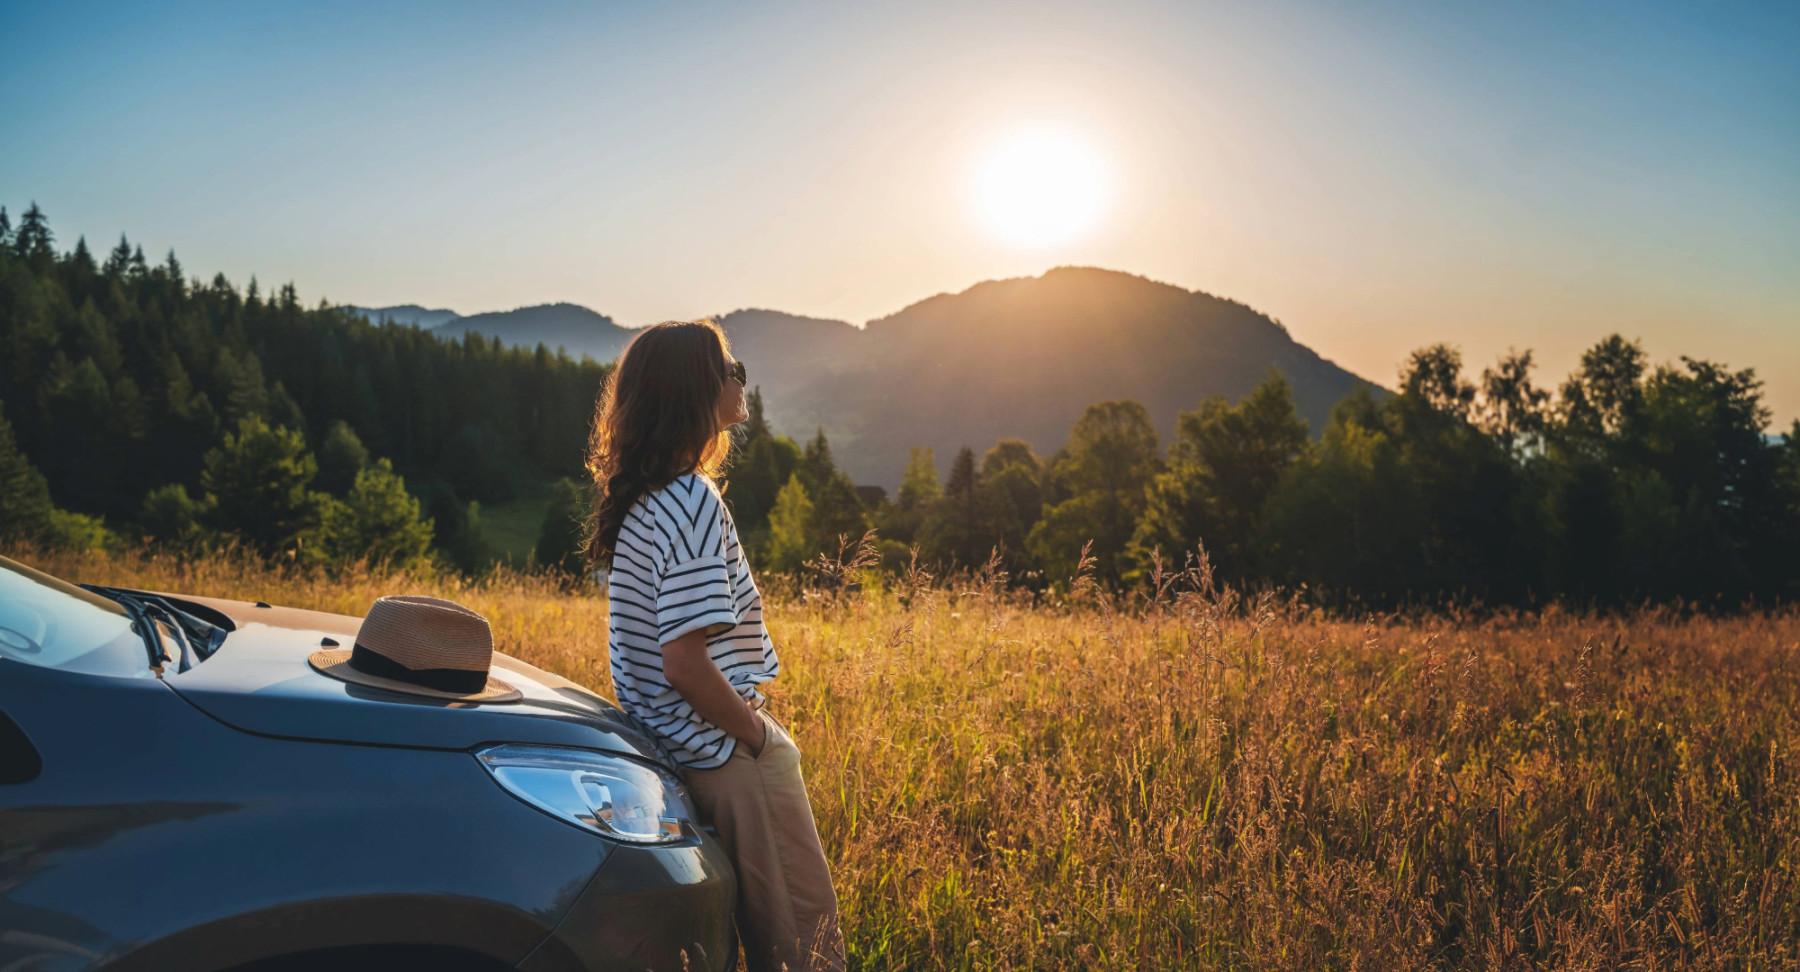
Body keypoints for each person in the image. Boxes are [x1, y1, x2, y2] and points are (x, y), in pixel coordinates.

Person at [582, 320, 845, 972]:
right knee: (802, 944)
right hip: (725, 752)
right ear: (697, 389)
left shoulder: (644, 500)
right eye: (731, 368)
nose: (740, 379)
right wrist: (756, 737)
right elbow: (684, 661)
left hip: (671, 747)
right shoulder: (691, 500)